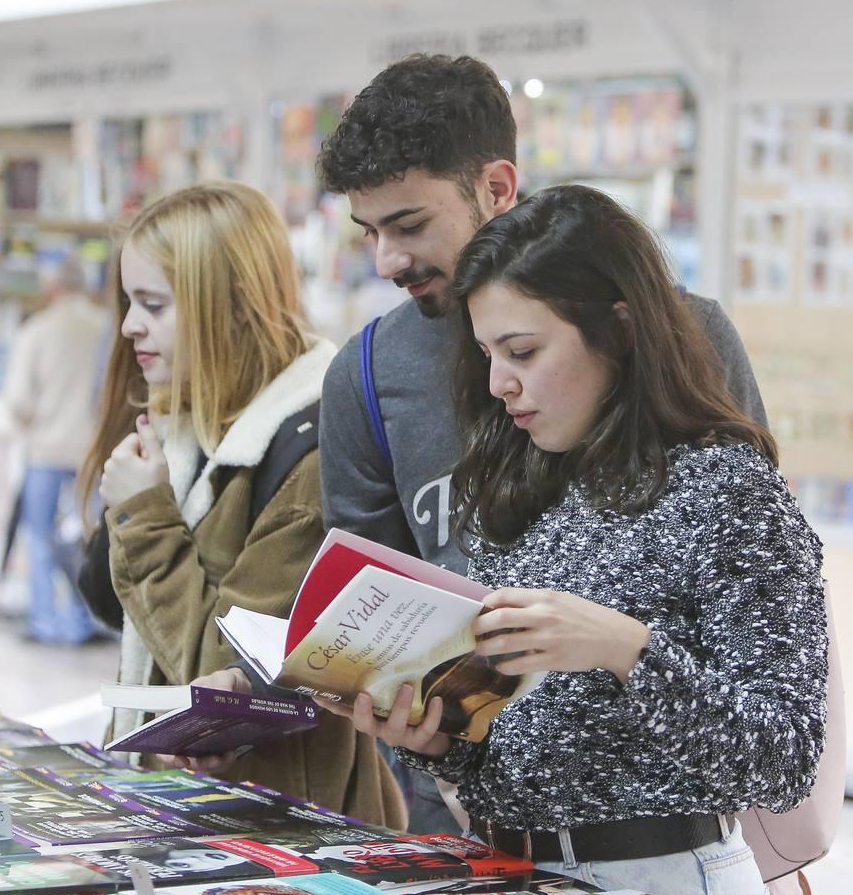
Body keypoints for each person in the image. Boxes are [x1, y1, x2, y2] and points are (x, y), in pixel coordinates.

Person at [321, 184, 828, 894]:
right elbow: (524, 755)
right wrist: (439, 740)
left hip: (665, 874)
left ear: (617, 330)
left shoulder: (728, 491)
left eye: (523, 352)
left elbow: (783, 759)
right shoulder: (518, 481)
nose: (499, 383)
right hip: (511, 866)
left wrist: (628, 651)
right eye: (487, 354)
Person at [312, 53, 768, 835]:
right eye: (370, 232)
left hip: (663, 828)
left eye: (410, 225)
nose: (387, 260)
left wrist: (621, 648)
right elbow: (367, 611)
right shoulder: (364, 376)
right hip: (459, 821)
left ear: (496, 187)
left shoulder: (680, 338)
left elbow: (754, 613)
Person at [75, 181, 405, 829]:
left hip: (277, 829)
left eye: (153, 304)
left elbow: (224, 686)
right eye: (129, 301)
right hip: (190, 812)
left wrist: (144, 514)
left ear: (225, 307)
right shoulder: (188, 426)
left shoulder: (309, 456)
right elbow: (105, 602)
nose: (128, 325)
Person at [2, 255, 108, 645]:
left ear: (50, 288)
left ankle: (44, 621)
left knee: (40, 535)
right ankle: (86, 620)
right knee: (89, 539)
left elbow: (18, 400)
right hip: (91, 451)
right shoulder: (104, 328)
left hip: (46, 450)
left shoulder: (36, 330)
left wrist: (35, 419)